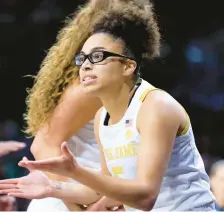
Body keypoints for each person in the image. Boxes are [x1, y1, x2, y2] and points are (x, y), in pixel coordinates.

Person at [0, 0, 216, 211]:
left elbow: (145, 197)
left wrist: (75, 172)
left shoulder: (156, 107)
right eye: (82, 58)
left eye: (98, 56)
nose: (85, 65)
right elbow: (101, 191)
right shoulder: (103, 117)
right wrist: (53, 188)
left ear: (128, 66)